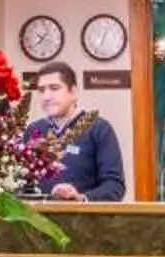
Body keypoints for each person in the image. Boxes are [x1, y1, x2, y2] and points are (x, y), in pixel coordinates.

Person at [25, 63, 124, 201]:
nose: (46, 96)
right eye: (41, 90)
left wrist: (80, 198)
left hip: (84, 219)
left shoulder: (99, 129)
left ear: (73, 92)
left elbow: (114, 186)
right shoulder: (33, 130)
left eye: (54, 88)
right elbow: (21, 182)